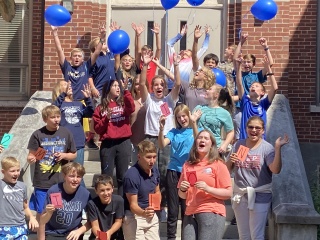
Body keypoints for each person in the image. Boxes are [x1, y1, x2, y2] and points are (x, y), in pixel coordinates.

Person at [226, 116, 289, 240]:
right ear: (246, 128)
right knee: (243, 235)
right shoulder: (239, 145)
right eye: (251, 127)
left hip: (260, 196)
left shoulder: (267, 148)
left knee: (257, 235)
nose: (254, 130)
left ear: (263, 131)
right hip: (240, 194)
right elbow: (227, 169)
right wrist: (230, 161)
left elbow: (275, 170)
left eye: (257, 128)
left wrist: (277, 148)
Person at [140, 51, 181, 217]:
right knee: (150, 173)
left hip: (166, 139)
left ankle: (162, 206)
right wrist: (145, 65)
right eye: (155, 84)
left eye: (161, 85)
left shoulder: (169, 100)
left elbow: (177, 84)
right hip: (150, 139)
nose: (158, 87)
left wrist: (176, 65)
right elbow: (142, 84)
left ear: (165, 88)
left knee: (164, 172)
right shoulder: (149, 100)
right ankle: (152, 205)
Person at [27, 105, 77, 239]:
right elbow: (31, 155)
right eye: (53, 117)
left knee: (57, 210)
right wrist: (31, 158)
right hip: (42, 181)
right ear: (45, 119)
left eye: (58, 116)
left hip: (60, 182)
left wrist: (64, 156)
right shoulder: (38, 134)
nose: (56, 120)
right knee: (41, 211)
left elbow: (74, 154)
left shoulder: (66, 133)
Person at [177, 130, 232, 240]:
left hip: (211, 211)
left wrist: (208, 189)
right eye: (200, 138)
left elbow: (228, 193)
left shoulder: (218, 164)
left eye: (206, 138)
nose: (202, 140)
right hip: (190, 212)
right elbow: (182, 196)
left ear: (211, 145)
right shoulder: (187, 165)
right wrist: (182, 189)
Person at [158, 104, 202, 240]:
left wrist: (194, 123)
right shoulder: (173, 132)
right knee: (172, 210)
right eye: (179, 117)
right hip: (173, 172)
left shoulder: (196, 130)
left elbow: (197, 140)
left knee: (186, 210)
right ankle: (171, 237)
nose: (182, 119)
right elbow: (161, 145)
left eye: (184, 116)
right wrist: (160, 130)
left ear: (188, 115)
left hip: (189, 173)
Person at [92, 78, 135, 197]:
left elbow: (131, 108)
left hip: (123, 142)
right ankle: (106, 204)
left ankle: (121, 205)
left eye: (118, 86)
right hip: (108, 144)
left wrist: (126, 90)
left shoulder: (122, 103)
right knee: (106, 177)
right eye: (114, 85)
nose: (117, 88)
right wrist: (106, 119)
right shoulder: (100, 108)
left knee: (123, 176)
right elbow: (97, 129)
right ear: (108, 89)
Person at [86, 22, 121, 150]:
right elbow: (89, 75)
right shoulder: (95, 59)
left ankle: (109, 135)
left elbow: (117, 66)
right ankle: (91, 138)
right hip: (100, 90)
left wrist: (115, 34)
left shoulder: (110, 55)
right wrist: (93, 88)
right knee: (98, 115)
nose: (105, 44)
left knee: (111, 114)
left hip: (112, 90)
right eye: (101, 44)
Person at [232, 34, 274, 141]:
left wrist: (266, 47)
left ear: (253, 64)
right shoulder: (239, 73)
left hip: (255, 107)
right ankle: (240, 150)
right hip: (241, 107)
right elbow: (235, 60)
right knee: (240, 133)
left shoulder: (256, 76)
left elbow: (270, 64)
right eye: (244, 62)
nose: (246, 64)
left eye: (249, 62)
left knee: (254, 129)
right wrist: (241, 42)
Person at [52, 81, 94, 181]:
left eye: (69, 85)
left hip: (78, 142)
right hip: (62, 144)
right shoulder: (59, 104)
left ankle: (81, 196)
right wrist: (63, 95)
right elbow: (52, 110)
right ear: (59, 90)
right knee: (63, 175)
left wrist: (88, 99)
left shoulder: (78, 104)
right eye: (65, 85)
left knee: (78, 174)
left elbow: (91, 112)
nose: (69, 86)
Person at [51, 25, 106, 101]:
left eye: (79, 56)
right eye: (75, 56)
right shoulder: (67, 67)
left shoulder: (86, 66)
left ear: (83, 59)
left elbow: (96, 53)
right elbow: (59, 50)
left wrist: (102, 38)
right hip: (69, 100)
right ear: (71, 58)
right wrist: (55, 33)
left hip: (83, 101)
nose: (77, 57)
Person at [40, 162, 91, 240]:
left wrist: (80, 231)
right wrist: (49, 213)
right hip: (53, 233)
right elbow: (42, 221)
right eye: (71, 176)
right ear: (64, 176)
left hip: (73, 233)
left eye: (79, 176)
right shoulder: (54, 190)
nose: (75, 179)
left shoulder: (85, 194)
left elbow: (92, 221)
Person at [122, 140, 161, 240]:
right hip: (134, 216)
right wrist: (144, 213)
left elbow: (157, 191)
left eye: (154, 157)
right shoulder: (131, 176)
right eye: (148, 157)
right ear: (139, 156)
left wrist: (156, 204)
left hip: (150, 215)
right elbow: (133, 205)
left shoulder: (155, 170)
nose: (152, 161)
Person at [235, 55, 278, 139]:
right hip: (244, 143)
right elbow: (239, 83)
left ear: (262, 92)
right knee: (239, 152)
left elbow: (275, 88)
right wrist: (239, 65)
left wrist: (269, 69)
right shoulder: (245, 102)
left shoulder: (264, 104)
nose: (253, 87)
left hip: (260, 143)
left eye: (256, 86)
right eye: (252, 86)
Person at [0, 157, 39, 239]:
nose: (16, 173)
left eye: (18, 170)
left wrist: (32, 217)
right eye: (12, 171)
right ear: (3, 172)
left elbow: (25, 207)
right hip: (3, 227)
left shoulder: (22, 186)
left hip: (20, 226)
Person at [193, 84, 235, 157]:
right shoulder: (198, 108)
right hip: (199, 147)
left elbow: (231, 132)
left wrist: (224, 145)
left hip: (215, 149)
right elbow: (189, 127)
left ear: (216, 95)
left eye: (210, 89)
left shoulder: (224, 113)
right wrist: (192, 120)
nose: (206, 90)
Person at [87, 174, 124, 240]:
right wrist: (101, 236)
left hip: (115, 235)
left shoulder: (119, 200)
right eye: (102, 190)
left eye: (108, 189)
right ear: (96, 191)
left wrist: (109, 233)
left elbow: (118, 221)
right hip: (98, 235)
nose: (106, 193)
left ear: (112, 189)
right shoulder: (92, 204)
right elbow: (94, 225)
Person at [132, 22, 161, 92]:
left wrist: (157, 34)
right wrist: (138, 36)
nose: (146, 52)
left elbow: (159, 49)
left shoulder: (153, 62)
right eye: (144, 51)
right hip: (141, 90)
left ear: (151, 53)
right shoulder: (140, 63)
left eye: (148, 51)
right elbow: (138, 50)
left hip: (151, 90)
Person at [130, 73, 146, 164]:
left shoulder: (151, 99)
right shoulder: (130, 101)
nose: (139, 86)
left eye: (141, 83)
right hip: (134, 141)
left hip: (148, 141)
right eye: (136, 84)